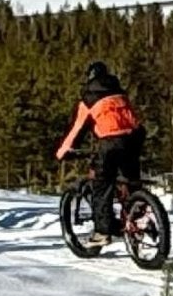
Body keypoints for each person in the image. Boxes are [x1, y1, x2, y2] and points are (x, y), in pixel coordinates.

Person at [55, 61, 143, 237]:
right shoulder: (120, 94)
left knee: (102, 185)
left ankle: (102, 232)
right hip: (135, 137)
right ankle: (139, 218)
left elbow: (77, 130)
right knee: (131, 181)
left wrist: (63, 151)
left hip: (110, 141)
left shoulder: (89, 98)